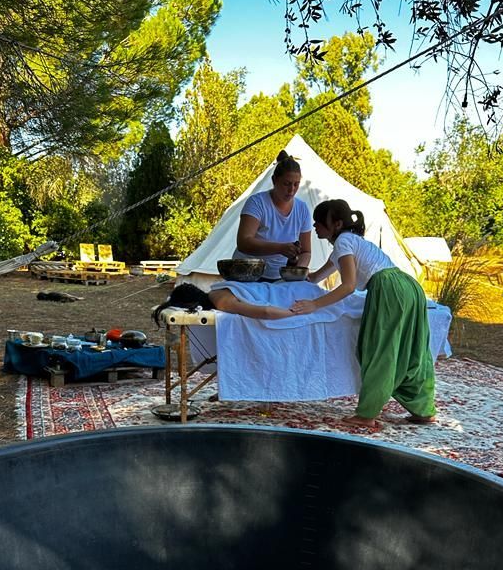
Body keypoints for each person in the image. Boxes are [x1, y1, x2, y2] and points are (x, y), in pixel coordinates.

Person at [290, 199, 436, 430]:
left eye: (319, 222)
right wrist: (294, 275)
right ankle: (424, 409)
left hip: (389, 289)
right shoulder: (350, 242)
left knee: (380, 350)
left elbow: (347, 285)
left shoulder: (343, 243)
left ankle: (367, 414)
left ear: (336, 224)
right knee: (412, 349)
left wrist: (314, 305)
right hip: (409, 287)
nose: (316, 226)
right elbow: (317, 277)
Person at [234, 150, 312, 281]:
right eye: (286, 184)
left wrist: (296, 271)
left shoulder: (302, 209)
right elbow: (244, 242)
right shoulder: (257, 202)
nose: (291, 189)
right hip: (247, 273)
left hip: (280, 278)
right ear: (274, 180)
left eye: (296, 184)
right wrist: (280, 248)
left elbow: (306, 252)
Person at [152, 282, 294, 324]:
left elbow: (266, 312)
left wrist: (294, 312)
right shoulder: (215, 293)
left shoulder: (221, 301)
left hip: (287, 295)